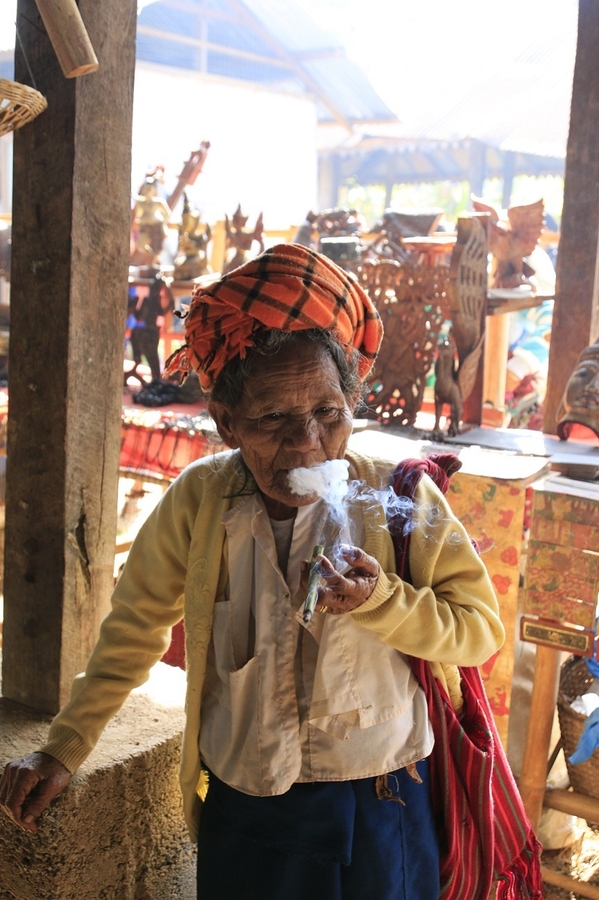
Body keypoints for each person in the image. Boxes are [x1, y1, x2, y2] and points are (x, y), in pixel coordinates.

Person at [1, 244, 506, 899]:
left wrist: (381, 601)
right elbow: (133, 627)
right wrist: (64, 747)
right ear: (226, 422)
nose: (306, 443)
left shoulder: (399, 496)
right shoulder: (202, 499)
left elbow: (477, 633)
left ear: (352, 404)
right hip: (248, 808)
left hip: (382, 805)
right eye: (272, 419)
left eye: (328, 413)